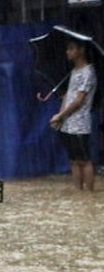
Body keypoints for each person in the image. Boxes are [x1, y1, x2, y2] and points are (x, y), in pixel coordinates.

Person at [50, 39, 97, 191]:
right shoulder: (74, 71)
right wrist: (60, 116)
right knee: (73, 160)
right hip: (68, 124)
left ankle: (89, 194)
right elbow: (68, 96)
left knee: (84, 160)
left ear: (81, 50)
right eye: (67, 49)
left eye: (71, 48)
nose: (67, 52)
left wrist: (61, 115)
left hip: (80, 124)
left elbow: (79, 101)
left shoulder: (88, 72)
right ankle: (78, 193)